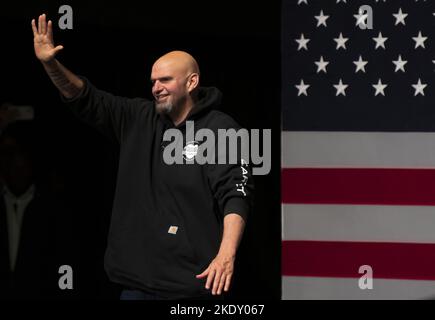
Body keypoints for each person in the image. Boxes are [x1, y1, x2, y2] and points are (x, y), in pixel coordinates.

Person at [31, 13, 254, 300]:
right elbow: (85, 97)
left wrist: (226, 255)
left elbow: (236, 193)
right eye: (153, 81)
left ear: (191, 82)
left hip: (192, 289)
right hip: (135, 287)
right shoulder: (137, 117)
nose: (156, 87)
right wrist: (51, 64)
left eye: (165, 80)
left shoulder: (221, 128)